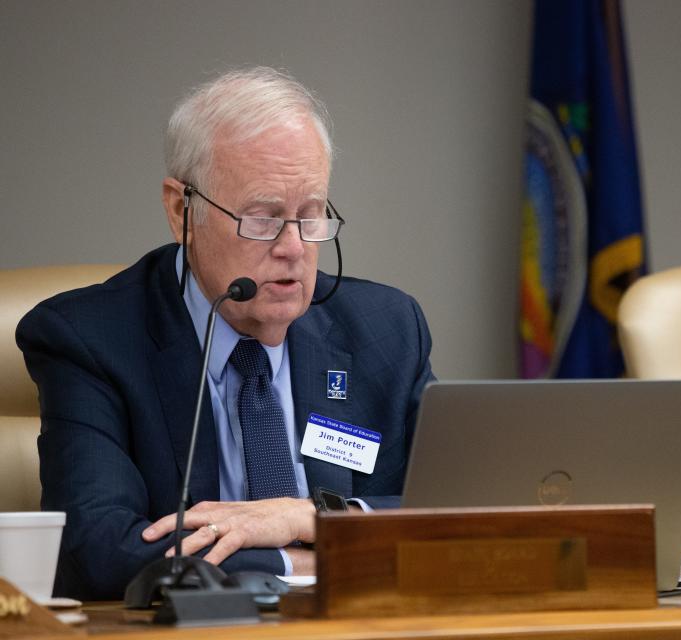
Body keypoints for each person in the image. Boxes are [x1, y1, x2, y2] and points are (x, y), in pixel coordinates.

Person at [16, 67, 434, 600]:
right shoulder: (90, 341)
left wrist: (307, 517)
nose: (293, 247)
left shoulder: (386, 330)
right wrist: (306, 560)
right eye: (262, 218)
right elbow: (98, 553)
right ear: (181, 211)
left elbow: (462, 512)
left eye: (311, 216)